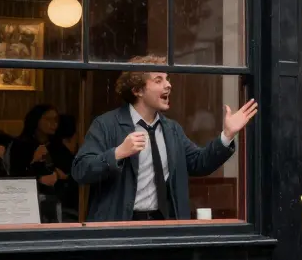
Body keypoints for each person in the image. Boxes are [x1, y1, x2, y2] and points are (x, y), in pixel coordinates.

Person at [72, 56, 257, 222]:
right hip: (120, 228)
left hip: (165, 226)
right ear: (138, 90)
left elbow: (200, 163)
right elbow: (80, 170)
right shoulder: (106, 125)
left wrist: (227, 135)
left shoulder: (172, 130)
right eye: (158, 80)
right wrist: (118, 153)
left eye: (167, 79)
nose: (168, 85)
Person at [8, 104, 77, 223]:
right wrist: (36, 170)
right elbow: (14, 176)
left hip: (61, 200)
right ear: (36, 120)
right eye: (48, 119)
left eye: (56, 120)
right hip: (29, 200)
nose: (53, 123)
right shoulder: (21, 144)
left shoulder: (57, 145)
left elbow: (72, 168)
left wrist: (62, 176)